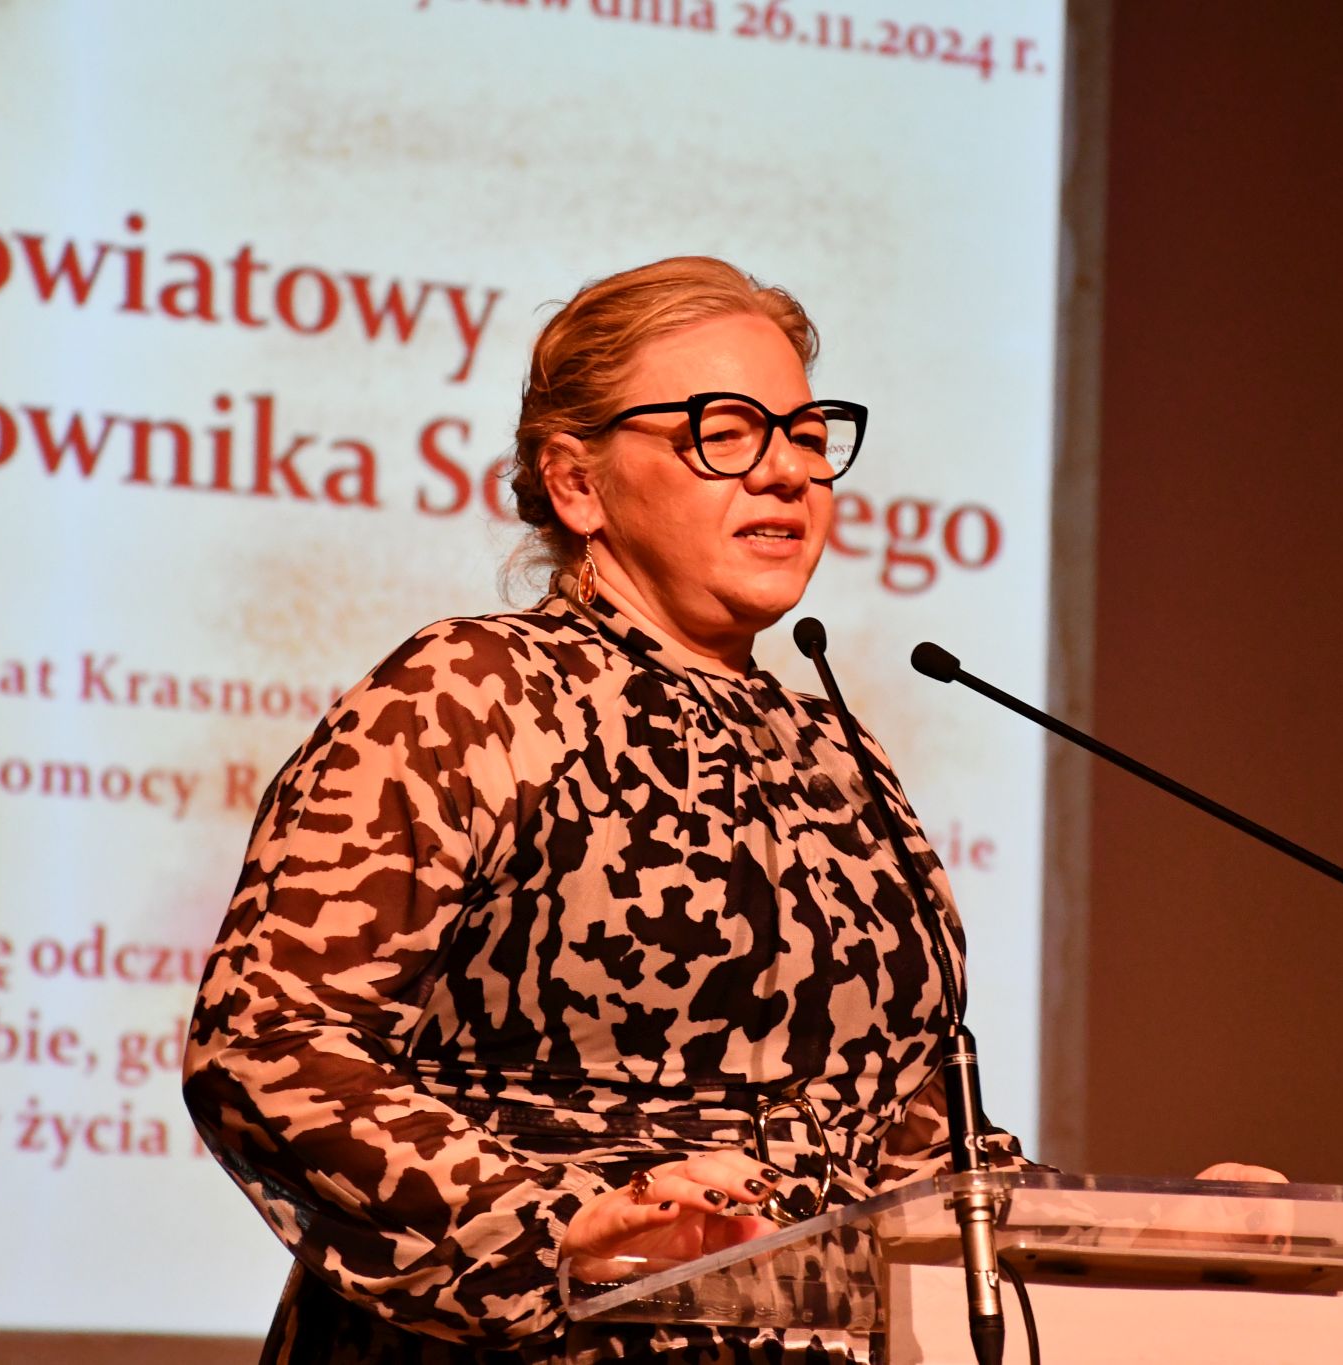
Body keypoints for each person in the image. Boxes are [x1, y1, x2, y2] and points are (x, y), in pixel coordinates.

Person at [183, 257, 1031, 1365]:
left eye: (807, 434)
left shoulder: (837, 752)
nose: (787, 471)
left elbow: (912, 1137)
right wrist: (553, 1225)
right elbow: (267, 1046)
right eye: (726, 432)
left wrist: (1181, 1238)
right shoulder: (468, 695)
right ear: (576, 484)